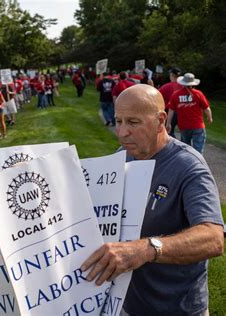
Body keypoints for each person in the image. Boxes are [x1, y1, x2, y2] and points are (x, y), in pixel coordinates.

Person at [81, 84, 224, 315]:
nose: (122, 132)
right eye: (119, 121)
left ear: (160, 121)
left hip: (178, 308)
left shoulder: (188, 166)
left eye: (133, 122)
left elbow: (213, 238)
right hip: (127, 303)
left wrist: (146, 249)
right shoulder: (121, 156)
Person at [166, 73, 213, 154]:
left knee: (186, 149)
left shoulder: (176, 94)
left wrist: (168, 123)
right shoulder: (198, 94)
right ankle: (198, 164)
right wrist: (209, 118)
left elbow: (171, 110)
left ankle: (187, 165)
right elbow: (206, 109)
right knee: (198, 150)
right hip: (198, 125)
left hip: (184, 126)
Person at [158, 67, 182, 138]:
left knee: (169, 131)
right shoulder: (185, 87)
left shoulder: (166, 87)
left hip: (170, 112)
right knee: (185, 133)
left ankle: (172, 147)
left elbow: (156, 96)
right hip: (184, 110)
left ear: (172, 75)